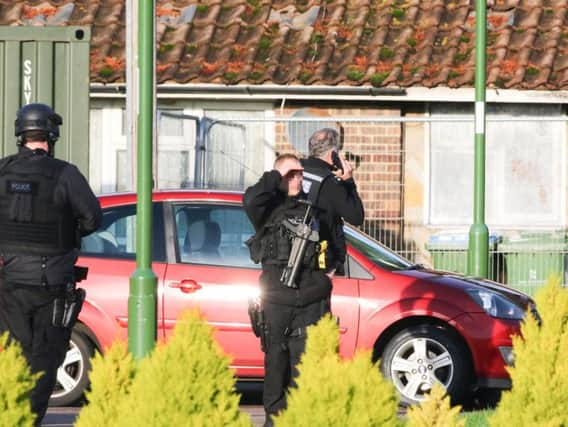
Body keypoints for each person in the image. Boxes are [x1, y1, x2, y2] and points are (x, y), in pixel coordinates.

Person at [243, 147, 363, 426]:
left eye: (300, 174)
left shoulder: (316, 206)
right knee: (275, 367)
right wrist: (277, 175)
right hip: (276, 301)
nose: (298, 179)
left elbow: (347, 224)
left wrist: (348, 183)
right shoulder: (267, 209)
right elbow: (250, 199)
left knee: (305, 370)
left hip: (311, 300)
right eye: (292, 175)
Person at [0, 103, 102, 426]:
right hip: (51, 287)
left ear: (21, 135)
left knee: (14, 359)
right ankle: (28, 419)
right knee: (45, 360)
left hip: (10, 285)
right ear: (51, 136)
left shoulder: (1, 172)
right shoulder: (65, 174)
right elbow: (93, 218)